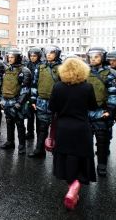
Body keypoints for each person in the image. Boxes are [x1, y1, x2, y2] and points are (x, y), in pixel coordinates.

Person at [48, 58, 97, 210]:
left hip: (63, 129)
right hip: (82, 129)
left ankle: (72, 186)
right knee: (80, 158)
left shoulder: (57, 87)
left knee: (65, 159)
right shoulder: (87, 87)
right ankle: (75, 188)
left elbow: (52, 108)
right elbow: (93, 106)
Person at [86, 47, 116, 177]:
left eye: (96, 57)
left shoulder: (109, 73)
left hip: (101, 111)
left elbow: (113, 93)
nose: (93, 59)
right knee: (86, 141)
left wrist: (109, 110)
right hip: (86, 112)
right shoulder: (84, 72)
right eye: (91, 57)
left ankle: (101, 165)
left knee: (102, 141)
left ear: (102, 58)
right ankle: (86, 165)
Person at [29, 45, 62, 158]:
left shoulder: (62, 68)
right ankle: (39, 149)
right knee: (41, 127)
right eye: (47, 52)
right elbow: (34, 84)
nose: (48, 55)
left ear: (57, 54)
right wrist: (33, 99)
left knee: (57, 128)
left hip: (57, 104)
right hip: (41, 101)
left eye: (51, 53)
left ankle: (57, 152)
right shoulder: (41, 67)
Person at [0, 48, 31, 154]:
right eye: (9, 57)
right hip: (7, 101)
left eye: (12, 57)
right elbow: (3, 85)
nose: (10, 59)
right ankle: (10, 142)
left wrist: (19, 103)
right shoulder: (7, 69)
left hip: (17, 102)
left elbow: (25, 90)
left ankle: (22, 146)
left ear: (18, 58)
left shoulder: (24, 70)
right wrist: (1, 100)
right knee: (9, 122)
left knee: (19, 123)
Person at [25, 47, 43, 139]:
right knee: (29, 114)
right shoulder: (27, 64)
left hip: (38, 93)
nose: (32, 57)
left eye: (34, 56)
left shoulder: (42, 65)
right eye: (31, 56)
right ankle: (30, 132)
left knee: (39, 116)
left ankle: (39, 134)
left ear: (39, 56)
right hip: (29, 92)